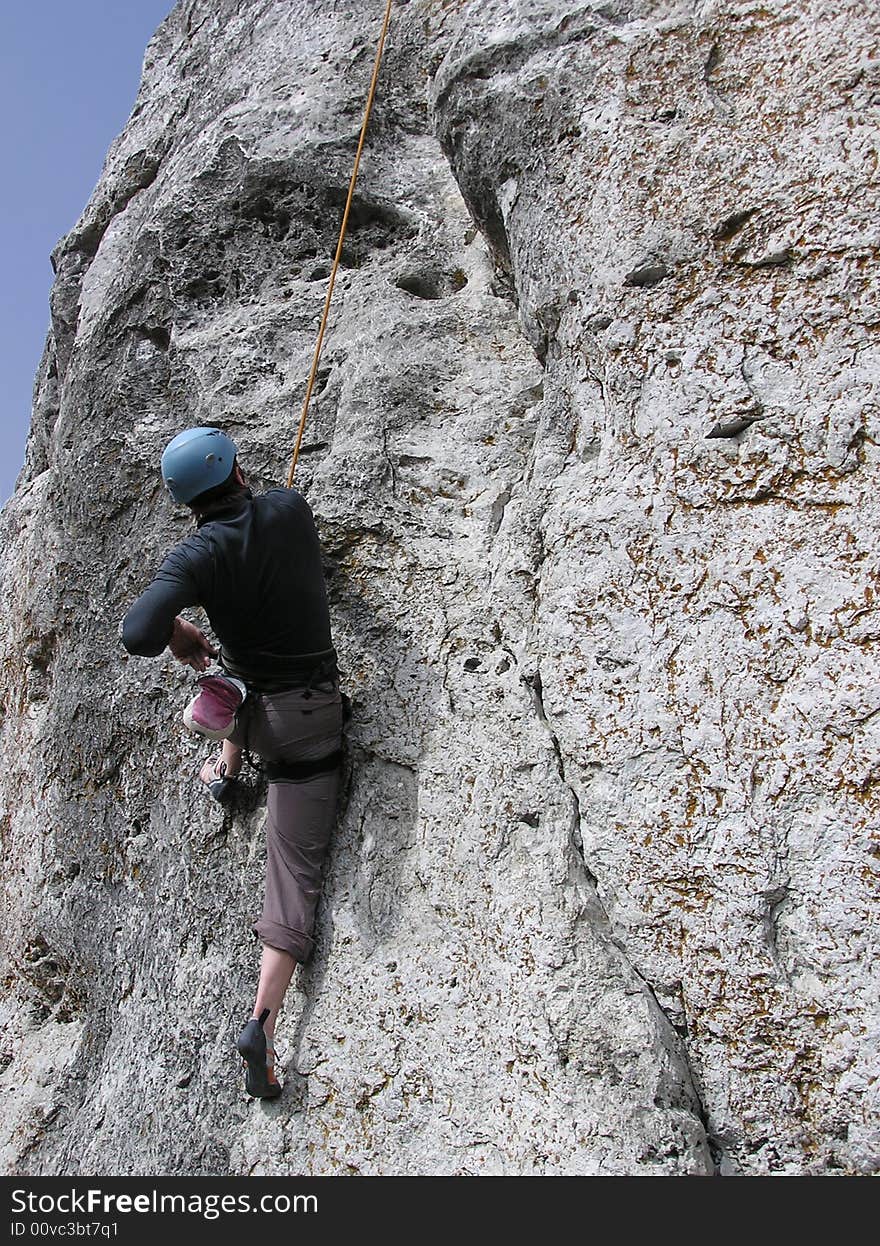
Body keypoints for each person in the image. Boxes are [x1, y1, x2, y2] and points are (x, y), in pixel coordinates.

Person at [121, 427, 344, 1100]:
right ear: (235, 467)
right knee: (293, 874)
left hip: (251, 712)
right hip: (306, 727)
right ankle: (262, 1025)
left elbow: (137, 632)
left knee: (235, 671)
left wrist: (180, 632)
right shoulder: (290, 509)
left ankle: (223, 770)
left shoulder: (196, 552)